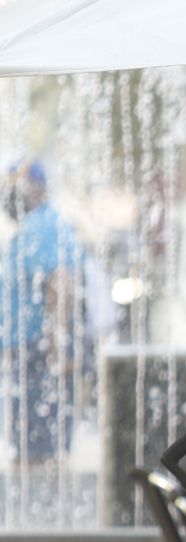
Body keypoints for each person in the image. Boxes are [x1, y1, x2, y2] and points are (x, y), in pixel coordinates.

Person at [1, 160, 87, 465]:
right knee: (33, 451)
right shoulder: (40, 225)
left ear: (36, 190)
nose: (7, 195)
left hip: (39, 347)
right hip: (35, 347)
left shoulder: (41, 227)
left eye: (13, 188)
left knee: (37, 456)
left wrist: (55, 339)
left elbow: (61, 283)